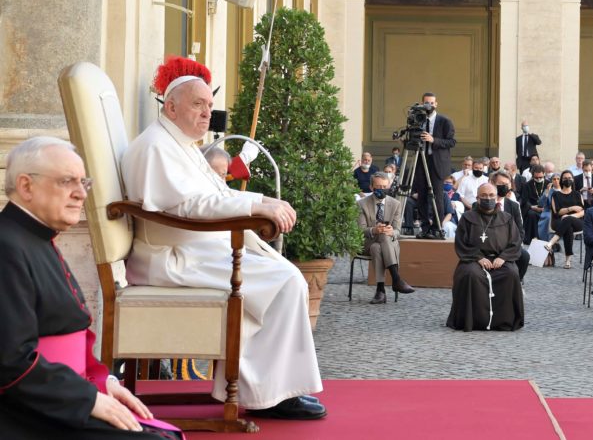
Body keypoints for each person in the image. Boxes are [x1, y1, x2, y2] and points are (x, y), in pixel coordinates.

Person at [122, 58, 324, 420]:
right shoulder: (156, 146)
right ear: (170, 106)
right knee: (286, 281)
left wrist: (262, 201)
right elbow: (189, 205)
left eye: (209, 106)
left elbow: (212, 195)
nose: (206, 114)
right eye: (197, 105)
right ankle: (269, 395)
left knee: (283, 274)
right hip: (171, 256)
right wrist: (256, 207)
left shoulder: (180, 143)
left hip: (195, 246)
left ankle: (267, 388)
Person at [0, 137, 184, 439]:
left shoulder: (37, 238)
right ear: (26, 186)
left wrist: (104, 382)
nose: (80, 194)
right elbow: (10, 362)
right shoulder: (7, 246)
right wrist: (87, 399)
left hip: (60, 397)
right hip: (29, 413)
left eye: (84, 183)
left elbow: (69, 333)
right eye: (66, 181)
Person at [446, 184, 524, 331]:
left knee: (511, 274)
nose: (488, 198)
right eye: (484, 196)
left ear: (497, 198)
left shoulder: (506, 218)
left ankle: (503, 321)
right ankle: (473, 320)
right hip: (473, 259)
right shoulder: (468, 218)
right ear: (477, 198)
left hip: (500, 259)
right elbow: (461, 243)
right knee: (471, 274)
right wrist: (478, 257)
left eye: (491, 196)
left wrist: (504, 257)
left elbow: (515, 242)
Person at [357, 173, 416, 304]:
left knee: (377, 247)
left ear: (388, 186)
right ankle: (396, 279)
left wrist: (391, 231)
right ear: (371, 187)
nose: (382, 189)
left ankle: (380, 291)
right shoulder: (362, 204)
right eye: (378, 187)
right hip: (368, 241)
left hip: (388, 242)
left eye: (384, 186)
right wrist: (374, 230)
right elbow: (360, 230)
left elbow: (397, 230)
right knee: (377, 240)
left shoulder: (395, 204)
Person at [412, 92, 456, 238]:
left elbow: (451, 142)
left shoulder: (444, 121)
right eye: (426, 102)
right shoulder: (418, 120)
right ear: (422, 103)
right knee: (422, 195)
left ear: (436, 104)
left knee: (437, 196)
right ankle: (425, 228)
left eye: (431, 103)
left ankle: (437, 228)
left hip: (437, 162)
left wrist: (433, 140)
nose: (429, 105)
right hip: (421, 161)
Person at [491, 171, 530, 283]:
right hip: (489, 244)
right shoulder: (483, 203)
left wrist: (509, 249)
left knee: (524, 256)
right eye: (501, 183)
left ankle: (518, 282)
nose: (504, 187)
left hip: (509, 245)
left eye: (507, 184)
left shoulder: (513, 205)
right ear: (493, 184)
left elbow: (520, 231)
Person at [542, 170, 585, 268]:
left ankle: (551, 243)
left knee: (568, 220)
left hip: (577, 221)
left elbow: (582, 211)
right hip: (558, 221)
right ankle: (568, 261)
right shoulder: (556, 195)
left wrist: (570, 216)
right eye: (565, 178)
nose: (567, 180)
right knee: (568, 228)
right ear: (562, 180)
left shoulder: (577, 194)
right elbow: (557, 212)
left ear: (573, 180)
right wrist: (572, 208)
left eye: (570, 178)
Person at [519, 164, 546, 244]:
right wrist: (532, 207)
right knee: (531, 214)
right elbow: (524, 200)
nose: (538, 179)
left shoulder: (549, 184)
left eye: (541, 177)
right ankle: (532, 237)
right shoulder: (527, 185)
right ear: (533, 175)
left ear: (544, 174)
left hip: (545, 207)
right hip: (532, 207)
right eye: (536, 177)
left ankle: (543, 237)